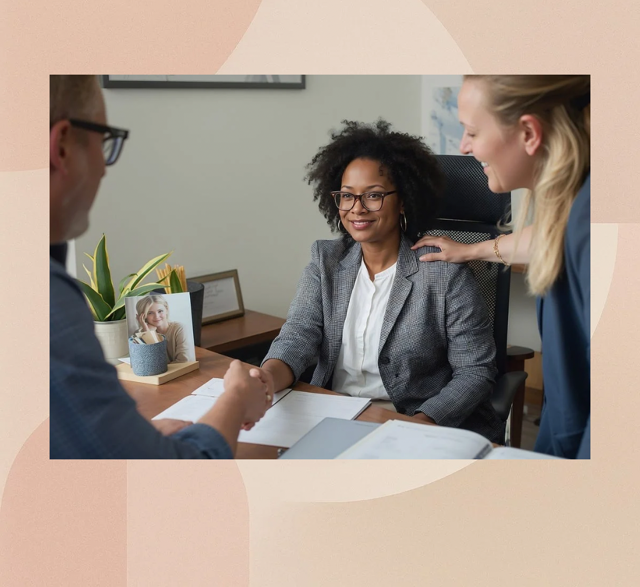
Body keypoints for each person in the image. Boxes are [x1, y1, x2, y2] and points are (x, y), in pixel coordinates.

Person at [50, 75, 270, 458]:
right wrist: (235, 398)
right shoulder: (44, 303)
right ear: (63, 147)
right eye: (104, 142)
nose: (104, 167)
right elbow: (174, 478)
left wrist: (137, 437)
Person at [254, 119, 505, 443]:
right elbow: (298, 335)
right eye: (347, 196)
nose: (357, 209)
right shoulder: (325, 260)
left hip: (415, 425)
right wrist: (264, 380)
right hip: (334, 419)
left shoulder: (443, 272)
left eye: (373, 195)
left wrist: (421, 422)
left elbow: (474, 372)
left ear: (403, 200)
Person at [412, 75, 590, 459]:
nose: (463, 146)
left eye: (472, 132)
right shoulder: (576, 208)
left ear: (528, 132)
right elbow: (546, 237)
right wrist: (471, 251)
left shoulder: (591, 219)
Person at [134, 295, 190, 362]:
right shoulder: (139, 334)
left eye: (160, 311)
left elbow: (184, 361)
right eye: (150, 313)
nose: (156, 316)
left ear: (166, 309)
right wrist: (148, 333)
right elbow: (150, 363)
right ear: (143, 316)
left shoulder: (179, 328)